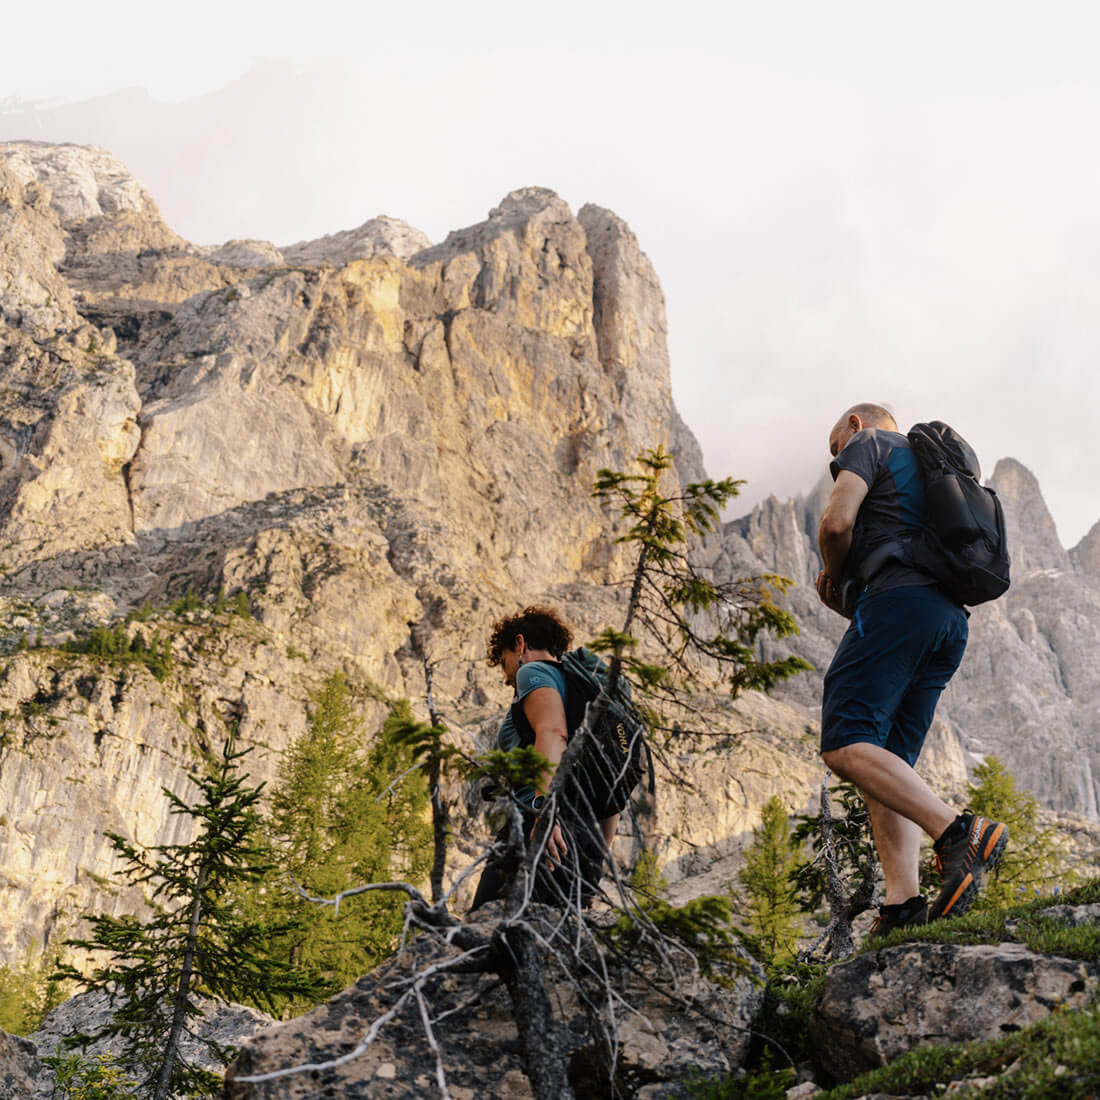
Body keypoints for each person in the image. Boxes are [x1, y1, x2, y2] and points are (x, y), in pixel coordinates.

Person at [815, 402, 1008, 937]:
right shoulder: (932, 470)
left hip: (898, 603)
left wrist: (833, 577)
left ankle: (960, 833)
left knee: (845, 742)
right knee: (886, 765)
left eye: (835, 448)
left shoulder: (869, 444)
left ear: (854, 425)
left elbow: (836, 524)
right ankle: (903, 905)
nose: (836, 458)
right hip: (947, 621)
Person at [471, 605, 612, 910]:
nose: (508, 677)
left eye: (506, 662)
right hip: (583, 840)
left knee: (487, 930)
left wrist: (545, 815)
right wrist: (593, 870)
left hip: (539, 829)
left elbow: (551, 731)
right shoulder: (585, 696)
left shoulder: (533, 671)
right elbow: (613, 792)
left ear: (520, 644)